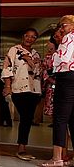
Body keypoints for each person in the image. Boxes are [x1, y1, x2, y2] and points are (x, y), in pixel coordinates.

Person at [1, 28, 42, 161]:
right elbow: (7, 68)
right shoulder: (15, 50)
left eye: (33, 37)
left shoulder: (36, 54)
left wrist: (30, 61)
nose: (30, 39)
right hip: (19, 88)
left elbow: (38, 72)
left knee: (27, 118)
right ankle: (21, 148)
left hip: (34, 90)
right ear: (23, 36)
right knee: (25, 117)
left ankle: (22, 147)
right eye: (28, 36)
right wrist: (7, 86)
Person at [42, 15, 74, 167]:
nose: (62, 28)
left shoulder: (69, 37)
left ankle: (57, 158)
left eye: (64, 25)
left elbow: (63, 58)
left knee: (60, 118)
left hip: (66, 77)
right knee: (73, 119)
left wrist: (53, 55)